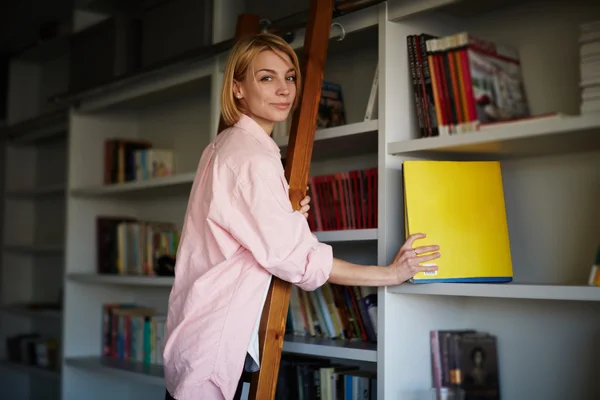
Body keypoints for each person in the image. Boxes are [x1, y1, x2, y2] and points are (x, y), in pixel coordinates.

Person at [162, 32, 440, 400]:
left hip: (194, 336)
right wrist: (389, 274)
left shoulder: (222, 146)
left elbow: (240, 228)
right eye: (266, 77)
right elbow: (298, 260)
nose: (284, 89)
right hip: (215, 345)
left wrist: (286, 215)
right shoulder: (253, 158)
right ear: (238, 88)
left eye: (289, 76)